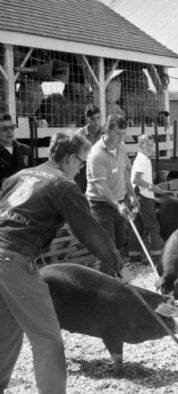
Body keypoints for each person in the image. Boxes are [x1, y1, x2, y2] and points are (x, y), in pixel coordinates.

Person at [0, 131, 131, 394]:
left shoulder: (19, 176)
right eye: (82, 162)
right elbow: (88, 230)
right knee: (47, 340)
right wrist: (117, 265)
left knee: (7, 331)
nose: (82, 168)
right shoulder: (64, 186)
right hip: (14, 259)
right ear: (70, 158)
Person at [86, 114, 139, 264]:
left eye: (124, 134)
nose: (121, 138)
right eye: (118, 134)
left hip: (120, 201)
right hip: (100, 205)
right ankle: (102, 281)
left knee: (119, 242)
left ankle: (114, 276)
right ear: (107, 131)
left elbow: (124, 173)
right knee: (107, 248)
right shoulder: (96, 154)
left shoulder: (121, 147)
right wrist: (118, 205)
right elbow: (101, 187)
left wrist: (132, 195)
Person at [128, 134, 164, 263]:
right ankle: (156, 256)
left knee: (138, 225)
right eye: (146, 145)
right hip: (142, 194)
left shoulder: (142, 158)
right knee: (153, 226)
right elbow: (136, 179)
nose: (150, 147)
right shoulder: (143, 160)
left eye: (151, 145)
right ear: (140, 146)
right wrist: (152, 187)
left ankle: (134, 255)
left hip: (140, 194)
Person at [74, 105, 104, 192]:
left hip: (102, 169)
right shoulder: (79, 135)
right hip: (83, 170)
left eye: (98, 118)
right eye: (92, 119)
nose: (96, 121)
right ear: (87, 120)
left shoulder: (106, 134)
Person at [0, 114, 32, 189]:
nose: (9, 131)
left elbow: (33, 173)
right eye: (5, 129)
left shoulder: (26, 150)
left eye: (12, 127)